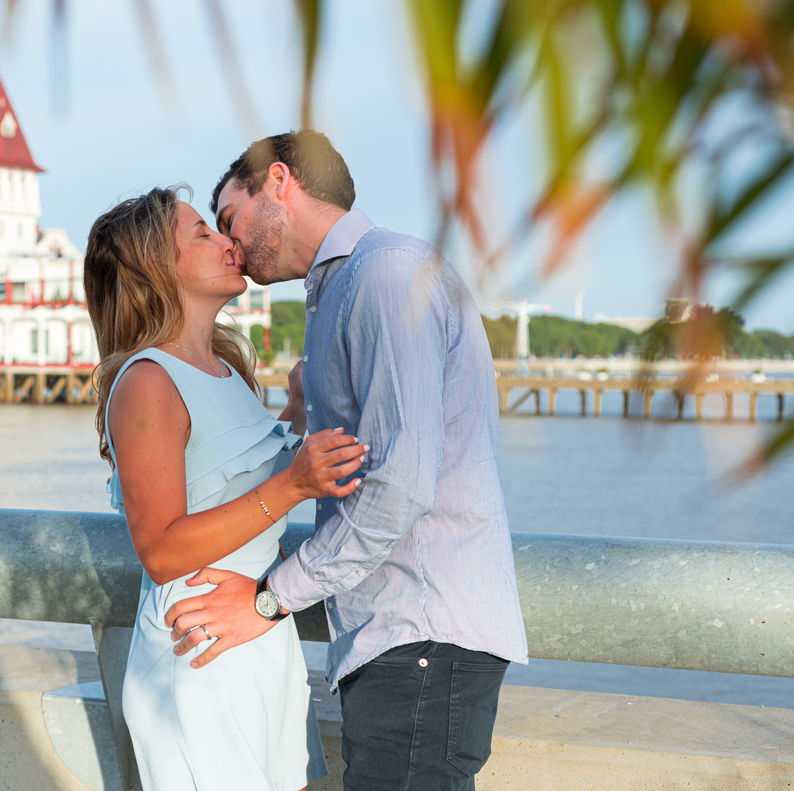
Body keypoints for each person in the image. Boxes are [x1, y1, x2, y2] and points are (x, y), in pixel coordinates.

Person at [163, 131, 529, 790]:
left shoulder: (384, 273)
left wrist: (273, 599)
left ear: (279, 182)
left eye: (229, 217)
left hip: (421, 635)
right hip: (401, 637)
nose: (231, 245)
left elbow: (401, 482)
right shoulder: (343, 289)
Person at [83, 186, 371, 790]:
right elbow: (160, 550)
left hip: (256, 632)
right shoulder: (146, 382)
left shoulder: (224, 368)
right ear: (156, 268)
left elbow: (230, 478)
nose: (227, 241)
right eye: (202, 234)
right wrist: (294, 486)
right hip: (199, 651)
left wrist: (296, 412)